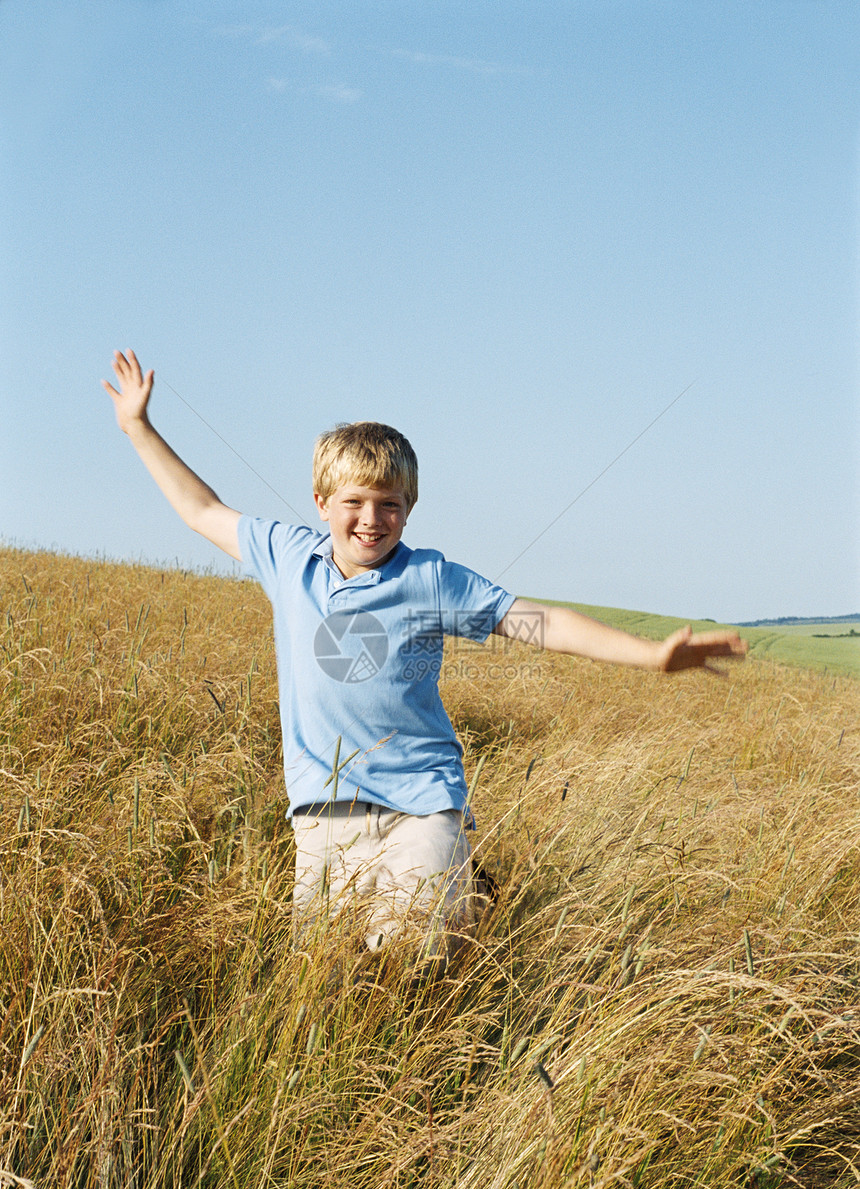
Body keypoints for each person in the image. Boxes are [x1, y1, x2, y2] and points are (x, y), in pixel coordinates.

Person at [103, 349, 746, 969]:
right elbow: (200, 509)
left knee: (413, 947)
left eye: (389, 504)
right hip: (324, 815)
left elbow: (535, 623)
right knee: (325, 975)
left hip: (421, 801)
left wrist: (651, 656)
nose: (370, 519)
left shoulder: (432, 578)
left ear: (410, 509)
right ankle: (462, 900)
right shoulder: (287, 556)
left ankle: (453, 889)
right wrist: (138, 426)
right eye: (354, 501)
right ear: (322, 502)